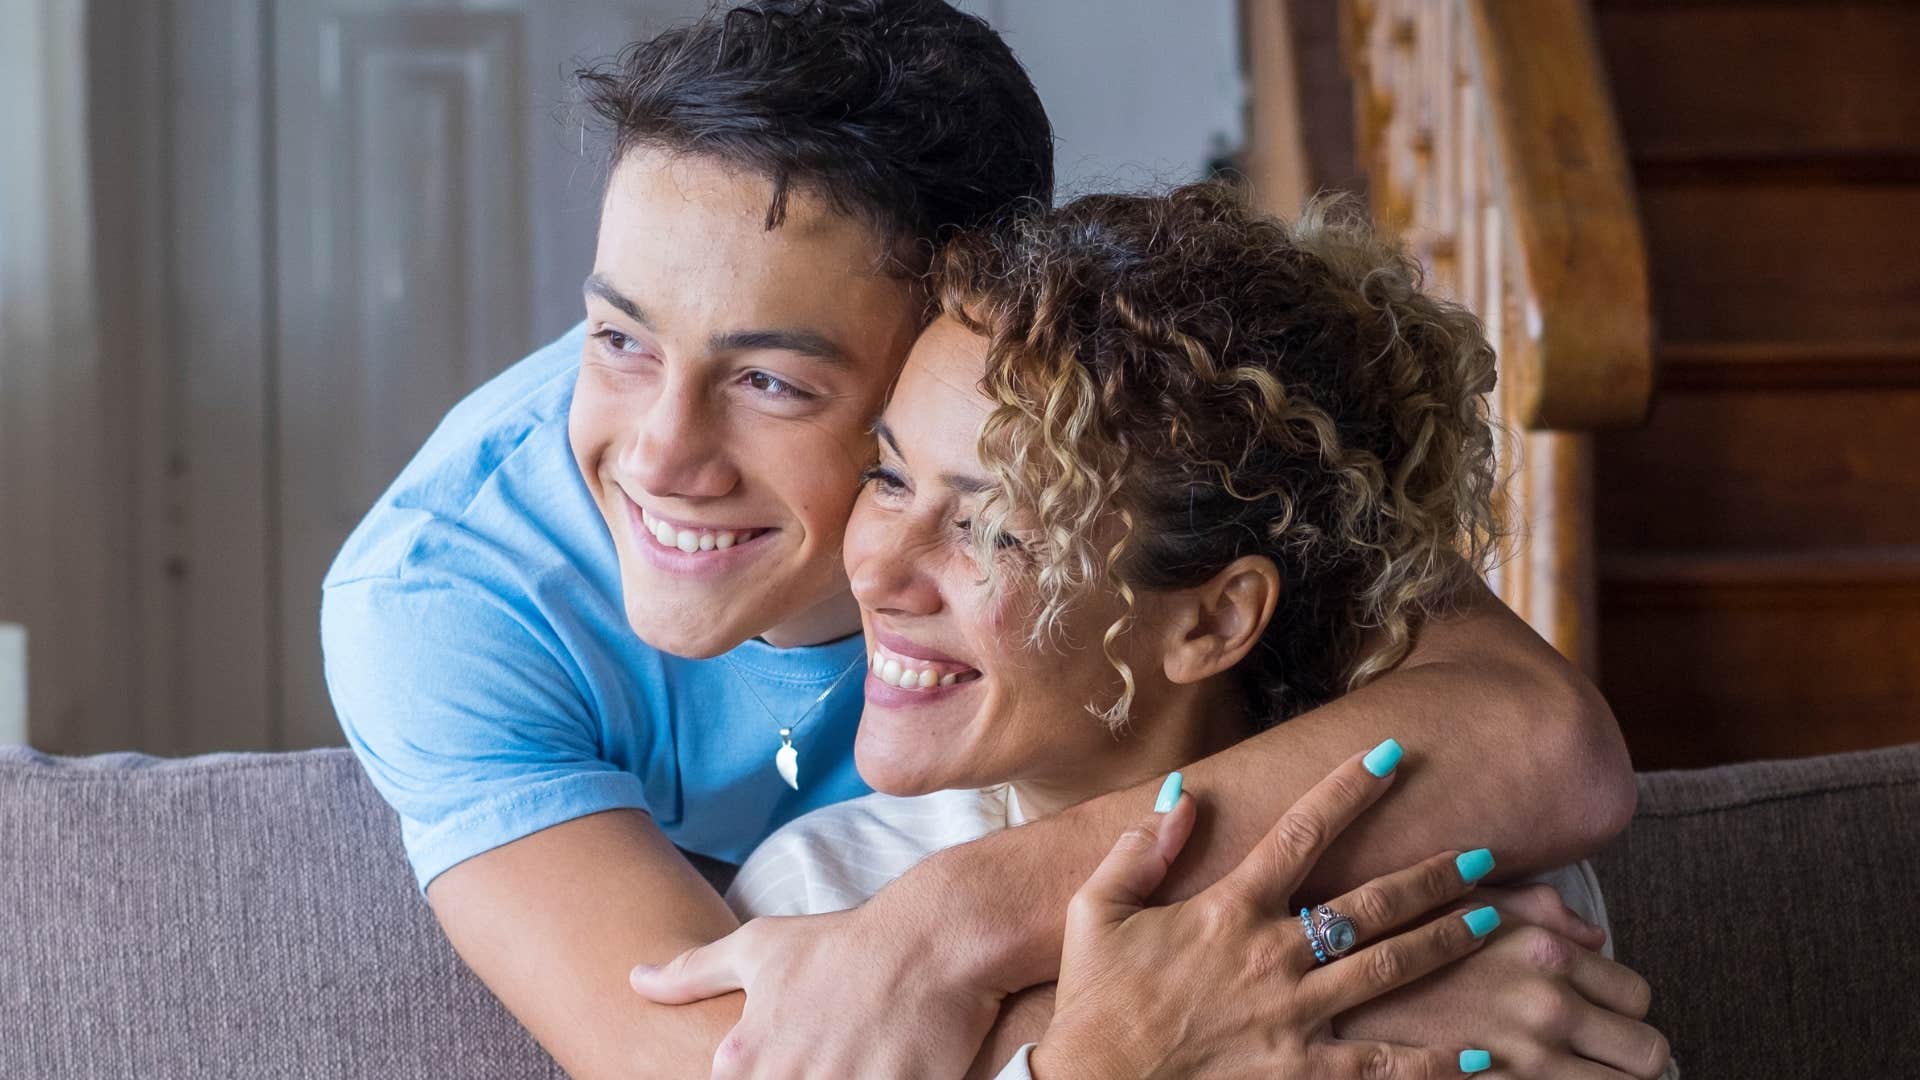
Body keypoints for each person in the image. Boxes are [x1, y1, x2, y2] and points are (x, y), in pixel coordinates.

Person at [320, 3, 1637, 1076]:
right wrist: (1203, 1026)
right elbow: (756, 1063)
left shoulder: (1140, 461)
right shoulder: (443, 602)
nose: (658, 455)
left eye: (775, 381)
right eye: (619, 337)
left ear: (978, 335)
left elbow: (1541, 740)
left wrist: (949, 933)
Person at [635, 186, 1670, 1078]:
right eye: (890, 476)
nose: (876, 567)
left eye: (995, 529)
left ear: (1215, 618)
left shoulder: (1460, 872)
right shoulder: (824, 900)